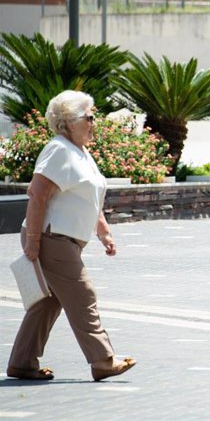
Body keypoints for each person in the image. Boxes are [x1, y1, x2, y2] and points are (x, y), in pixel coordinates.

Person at [6, 90, 136, 381]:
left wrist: (103, 232)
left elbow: (87, 197)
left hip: (64, 239)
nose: (93, 122)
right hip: (53, 237)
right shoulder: (59, 150)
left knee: (48, 301)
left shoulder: (79, 151)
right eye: (88, 117)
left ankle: (22, 362)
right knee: (82, 294)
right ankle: (103, 360)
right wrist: (33, 242)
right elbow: (37, 195)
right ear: (68, 122)